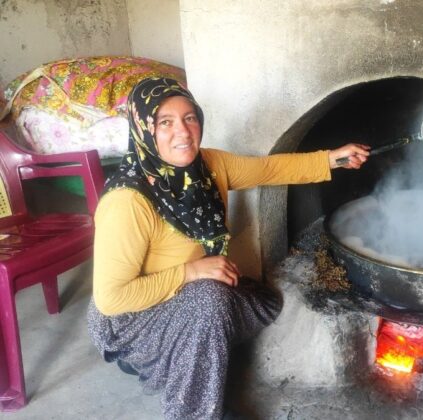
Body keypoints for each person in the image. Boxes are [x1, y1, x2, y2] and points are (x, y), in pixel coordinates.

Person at [86, 77, 369, 419]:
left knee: (260, 302)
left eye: (190, 117)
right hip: (131, 322)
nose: (183, 131)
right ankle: (195, 408)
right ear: (144, 130)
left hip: (188, 297)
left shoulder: (208, 166)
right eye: (165, 122)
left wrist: (332, 159)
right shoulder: (127, 202)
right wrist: (191, 271)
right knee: (211, 299)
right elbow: (112, 299)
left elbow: (268, 168)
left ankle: (181, 355)